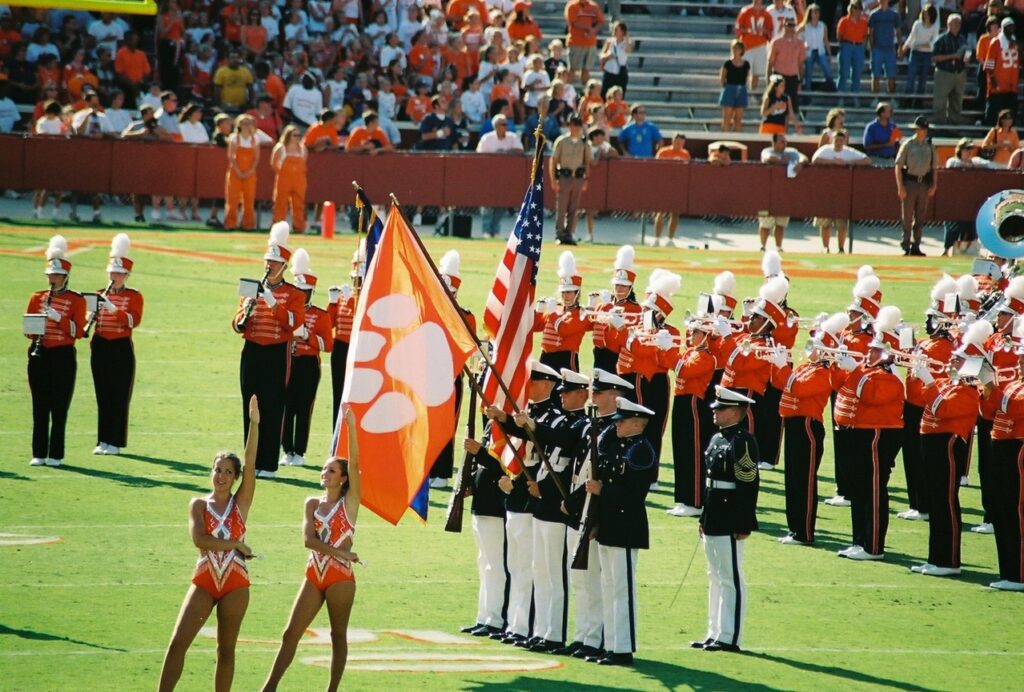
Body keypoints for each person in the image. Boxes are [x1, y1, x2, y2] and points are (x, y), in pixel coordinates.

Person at [158, 395, 259, 692]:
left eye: (228, 471)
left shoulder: (241, 503)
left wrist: (254, 424)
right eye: (217, 469)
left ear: (236, 477)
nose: (221, 476)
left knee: (225, 650)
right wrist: (236, 544)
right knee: (177, 643)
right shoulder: (199, 504)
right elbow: (199, 540)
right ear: (211, 472)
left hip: (235, 584)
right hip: (204, 579)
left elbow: (251, 463)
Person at [262, 407, 359, 690]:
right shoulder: (312, 503)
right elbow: (308, 541)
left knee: (337, 636)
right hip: (315, 573)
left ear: (343, 478)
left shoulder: (349, 503)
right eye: (324, 468)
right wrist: (342, 553)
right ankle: (269, 687)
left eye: (332, 470)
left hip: (340, 578)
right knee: (290, 633)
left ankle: (332, 689)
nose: (324, 473)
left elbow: (355, 465)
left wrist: (351, 427)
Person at [483, 361, 559, 646]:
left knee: (530, 566)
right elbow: (518, 434)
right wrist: (502, 417)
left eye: (534, 380)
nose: (527, 385)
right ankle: (515, 624)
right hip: (516, 493)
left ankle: (526, 626)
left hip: (531, 493)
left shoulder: (551, 417)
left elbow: (539, 449)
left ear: (547, 384)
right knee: (515, 565)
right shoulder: (528, 413)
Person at [585, 397, 657, 665]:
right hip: (609, 524)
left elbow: (635, 494)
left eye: (622, 421)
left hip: (626, 526)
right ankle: (611, 644)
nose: (617, 425)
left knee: (621, 589)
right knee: (608, 587)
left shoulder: (641, 450)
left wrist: (603, 490)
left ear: (637, 424)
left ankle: (623, 648)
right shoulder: (618, 445)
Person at [232, 223, 306, 479]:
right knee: (249, 406)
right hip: (252, 352)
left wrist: (272, 301)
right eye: (268, 261)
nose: (269, 266)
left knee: (273, 407)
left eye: (274, 262)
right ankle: (251, 462)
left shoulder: (294, 294)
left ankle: (269, 464)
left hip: (276, 354)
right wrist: (244, 315)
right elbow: (236, 322)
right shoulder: (251, 288)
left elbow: (294, 324)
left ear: (284, 266)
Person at [833, 307, 905, 561]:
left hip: (877, 435)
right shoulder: (867, 372)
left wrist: (854, 371)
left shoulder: (889, 377)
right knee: (859, 489)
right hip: (860, 433)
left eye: (875, 350)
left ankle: (873, 546)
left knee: (873, 489)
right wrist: (838, 365)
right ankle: (859, 541)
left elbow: (869, 395)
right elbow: (840, 386)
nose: (869, 353)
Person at [910, 331, 983, 577]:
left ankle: (949, 561)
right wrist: (919, 375)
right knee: (935, 502)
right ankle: (936, 559)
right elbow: (920, 398)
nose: (952, 361)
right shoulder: (947, 384)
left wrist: (929, 383)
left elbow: (941, 409)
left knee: (946, 502)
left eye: (958, 359)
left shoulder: (968, 392)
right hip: (933, 444)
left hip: (948, 445)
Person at [692, 386, 759, 653]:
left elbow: (748, 484)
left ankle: (730, 636)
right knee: (715, 575)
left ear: (734, 412)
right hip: (714, 514)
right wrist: (704, 517)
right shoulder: (717, 438)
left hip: (730, 514)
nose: (715, 413)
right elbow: (710, 484)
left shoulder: (743, 441)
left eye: (721, 409)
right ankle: (714, 631)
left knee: (730, 576)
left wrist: (744, 522)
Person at [775, 314, 847, 544]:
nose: (810, 349)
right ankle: (794, 529)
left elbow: (797, 389)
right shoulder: (807, 367)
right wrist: (779, 365)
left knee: (804, 481)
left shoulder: (824, 373)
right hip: (793, 424)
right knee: (792, 480)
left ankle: (804, 532)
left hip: (807, 426)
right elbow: (783, 384)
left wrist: (782, 366)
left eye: (816, 346)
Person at [900, 276, 958, 520]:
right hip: (914, 404)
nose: (926, 322)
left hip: (923, 406)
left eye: (932, 318)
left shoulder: (941, 346)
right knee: (912, 457)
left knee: (919, 459)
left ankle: (922, 505)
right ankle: (917, 503)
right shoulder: (930, 343)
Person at [25, 236, 86, 468]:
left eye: (57, 275)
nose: (53, 279)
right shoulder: (37, 297)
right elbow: (29, 331)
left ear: (65, 277)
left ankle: (56, 454)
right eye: (51, 275)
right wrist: (36, 325)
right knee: (39, 405)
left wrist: (58, 318)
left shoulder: (76, 300)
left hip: (63, 356)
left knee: (59, 406)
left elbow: (79, 332)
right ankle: (38, 452)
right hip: (39, 354)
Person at [89, 234, 143, 457]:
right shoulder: (98, 294)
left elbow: (133, 321)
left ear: (127, 275)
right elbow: (87, 321)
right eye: (112, 273)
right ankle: (103, 439)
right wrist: (90, 315)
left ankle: (116, 442)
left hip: (120, 347)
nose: (115, 277)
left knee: (119, 395)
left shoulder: (134, 296)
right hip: (100, 346)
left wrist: (112, 308)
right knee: (102, 394)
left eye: (119, 274)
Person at [279, 250, 332, 468]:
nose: (302, 295)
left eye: (306, 291)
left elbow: (328, 345)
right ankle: (286, 450)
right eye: (299, 291)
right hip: (288, 361)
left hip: (308, 365)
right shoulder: (287, 311)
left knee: (303, 409)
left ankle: (299, 451)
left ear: (311, 292)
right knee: (286, 407)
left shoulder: (320, 315)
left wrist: (307, 336)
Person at [668, 316, 716, 518]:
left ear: (706, 335)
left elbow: (683, 371)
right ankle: (683, 498)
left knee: (693, 453)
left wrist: (668, 349)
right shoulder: (690, 352)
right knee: (680, 450)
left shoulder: (706, 357)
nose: (691, 334)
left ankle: (695, 501)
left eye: (695, 332)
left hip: (694, 403)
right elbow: (667, 363)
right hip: (681, 400)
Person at [989, 323, 1024, 591]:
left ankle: (1018, 574)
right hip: (1003, 446)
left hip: (1018, 448)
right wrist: (987, 386)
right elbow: (989, 410)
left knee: (1017, 511)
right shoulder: (1014, 384)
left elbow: (1013, 409)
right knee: (1003, 510)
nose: (1019, 363)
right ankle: (1008, 571)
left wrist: (995, 389)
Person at [810, 130, 870, 253]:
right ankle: (825, 247)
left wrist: (848, 162)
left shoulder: (849, 152)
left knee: (842, 223)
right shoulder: (826, 150)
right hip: (826, 191)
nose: (838, 143)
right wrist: (834, 162)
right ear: (832, 140)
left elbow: (867, 160)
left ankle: (841, 248)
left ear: (844, 141)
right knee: (825, 222)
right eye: (836, 140)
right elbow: (815, 159)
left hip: (842, 192)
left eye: (841, 140)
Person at [590, 246, 641, 373]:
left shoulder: (635, 309)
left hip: (616, 358)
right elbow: (591, 326)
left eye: (623, 286)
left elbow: (625, 339)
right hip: (598, 355)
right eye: (617, 285)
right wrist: (591, 307)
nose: (619, 289)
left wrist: (609, 307)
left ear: (630, 288)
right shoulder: (602, 305)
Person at [895, 115, 938, 257]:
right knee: (907, 216)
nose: (923, 132)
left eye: (925, 129)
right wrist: (900, 186)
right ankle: (906, 244)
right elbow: (898, 166)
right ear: (916, 129)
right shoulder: (908, 144)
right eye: (921, 129)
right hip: (910, 182)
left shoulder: (930, 146)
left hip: (924, 183)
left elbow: (934, 168)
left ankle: (916, 245)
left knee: (920, 216)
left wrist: (934, 185)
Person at [476, 113, 524, 237]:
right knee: (487, 204)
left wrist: (506, 152)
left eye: (506, 124)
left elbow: (520, 150)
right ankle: (486, 231)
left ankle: (495, 229)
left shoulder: (512, 137)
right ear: (496, 126)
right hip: (489, 176)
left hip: (505, 177)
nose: (506, 127)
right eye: (503, 124)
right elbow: (480, 155)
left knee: (502, 204)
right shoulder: (487, 138)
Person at [759, 134, 807, 251]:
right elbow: (767, 158)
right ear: (774, 143)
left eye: (785, 141)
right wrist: (781, 160)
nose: (785, 144)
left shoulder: (792, 152)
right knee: (766, 223)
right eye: (781, 141)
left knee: (781, 223)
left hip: (784, 193)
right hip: (768, 193)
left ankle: (778, 246)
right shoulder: (767, 151)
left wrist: (800, 164)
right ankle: (763, 246)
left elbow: (804, 158)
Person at [550, 115, 593, 245]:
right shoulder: (562, 141)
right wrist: (553, 179)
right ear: (569, 126)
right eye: (574, 125)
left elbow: (587, 162)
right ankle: (560, 234)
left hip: (578, 177)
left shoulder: (583, 143)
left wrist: (586, 179)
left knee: (574, 208)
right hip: (565, 176)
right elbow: (553, 161)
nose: (576, 128)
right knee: (562, 207)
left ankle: (569, 233)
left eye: (578, 125)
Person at [653, 134, 691, 245]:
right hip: (664, 185)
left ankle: (670, 239)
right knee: (660, 212)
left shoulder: (685, 154)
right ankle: (657, 239)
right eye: (677, 142)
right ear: (673, 141)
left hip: (678, 186)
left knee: (675, 214)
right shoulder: (663, 152)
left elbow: (688, 170)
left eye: (681, 143)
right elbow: (656, 167)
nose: (679, 145)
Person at [224, 115, 260, 231]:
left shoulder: (255, 139)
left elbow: (256, 158)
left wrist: (250, 171)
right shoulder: (234, 138)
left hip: (250, 173)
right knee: (232, 199)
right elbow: (231, 156)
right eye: (243, 123)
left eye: (248, 123)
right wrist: (239, 171)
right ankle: (230, 223)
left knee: (249, 199)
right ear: (239, 125)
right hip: (235, 172)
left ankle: (248, 224)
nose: (246, 126)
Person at [932, 13, 969, 124]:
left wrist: (966, 58)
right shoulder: (941, 39)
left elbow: (967, 52)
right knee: (940, 102)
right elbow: (934, 57)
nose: (958, 25)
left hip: (959, 73)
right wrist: (952, 56)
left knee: (957, 101)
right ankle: (940, 125)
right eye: (955, 22)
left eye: (959, 23)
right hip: (944, 73)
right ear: (948, 24)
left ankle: (954, 125)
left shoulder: (962, 39)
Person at [981, 17, 1019, 125]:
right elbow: (989, 64)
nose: (1012, 29)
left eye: (1013, 27)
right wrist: (993, 80)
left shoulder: (1015, 43)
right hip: (997, 86)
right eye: (1009, 27)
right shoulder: (996, 42)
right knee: (994, 114)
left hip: (1011, 86)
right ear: (1004, 28)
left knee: (1010, 113)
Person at [271, 125, 308, 234]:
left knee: (299, 204)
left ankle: (299, 227)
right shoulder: (280, 147)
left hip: (299, 180)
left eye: (299, 135)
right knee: (280, 203)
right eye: (294, 135)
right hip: (284, 179)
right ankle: (278, 227)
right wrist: (282, 174)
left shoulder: (303, 148)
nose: (297, 137)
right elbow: (274, 163)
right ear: (288, 136)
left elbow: (304, 162)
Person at [767, 15, 805, 113]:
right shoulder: (776, 42)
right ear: (784, 26)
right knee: (776, 107)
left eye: (793, 25)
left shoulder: (800, 44)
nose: (791, 28)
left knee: (792, 108)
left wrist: (800, 81)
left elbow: (800, 64)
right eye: (789, 25)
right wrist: (768, 80)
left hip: (793, 78)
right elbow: (770, 63)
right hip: (779, 77)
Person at [735, 0, 774, 92]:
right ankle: (742, 92)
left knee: (756, 73)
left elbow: (770, 31)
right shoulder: (745, 11)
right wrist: (748, 30)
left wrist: (763, 31)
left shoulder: (766, 13)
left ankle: (752, 92)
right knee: (744, 71)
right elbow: (738, 28)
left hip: (760, 45)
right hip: (747, 46)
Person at [565, 0, 605, 84]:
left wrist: (594, 30)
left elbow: (601, 21)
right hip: (576, 42)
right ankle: (567, 89)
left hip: (590, 43)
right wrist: (588, 28)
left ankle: (586, 90)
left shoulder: (594, 6)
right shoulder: (572, 6)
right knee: (573, 69)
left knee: (586, 69)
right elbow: (573, 22)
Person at [902, 4, 939, 94]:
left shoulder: (935, 26)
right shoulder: (917, 24)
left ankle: (919, 98)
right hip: (915, 53)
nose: (925, 15)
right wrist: (905, 47)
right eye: (924, 13)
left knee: (923, 77)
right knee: (911, 76)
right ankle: (908, 97)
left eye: (927, 13)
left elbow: (933, 43)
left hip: (927, 55)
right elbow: (911, 37)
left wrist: (921, 46)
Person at [868, 0, 901, 94]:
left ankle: (891, 97)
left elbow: (898, 31)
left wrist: (900, 46)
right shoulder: (873, 14)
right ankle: (875, 97)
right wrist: (872, 48)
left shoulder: (894, 15)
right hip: (877, 48)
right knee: (875, 75)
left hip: (890, 48)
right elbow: (870, 32)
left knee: (891, 75)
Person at [836, 1, 869, 95]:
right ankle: (840, 96)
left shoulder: (864, 22)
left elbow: (865, 35)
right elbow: (839, 35)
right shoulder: (843, 21)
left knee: (857, 74)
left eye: (859, 8)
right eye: (855, 8)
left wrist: (862, 45)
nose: (857, 10)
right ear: (850, 9)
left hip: (859, 47)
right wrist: (843, 44)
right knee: (843, 73)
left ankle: (855, 96)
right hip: (847, 45)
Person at [720, 40, 751, 132]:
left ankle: (736, 136)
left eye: (737, 48)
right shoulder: (728, 63)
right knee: (727, 118)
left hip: (741, 89)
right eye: (733, 48)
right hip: (729, 88)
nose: (734, 50)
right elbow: (722, 78)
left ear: (741, 50)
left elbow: (747, 77)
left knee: (738, 119)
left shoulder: (746, 64)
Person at [802, 5, 835, 91]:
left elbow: (826, 40)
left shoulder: (822, 25)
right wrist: (803, 45)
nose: (816, 14)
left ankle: (829, 88)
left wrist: (829, 54)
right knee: (808, 75)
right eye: (814, 12)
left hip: (820, 51)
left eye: (818, 12)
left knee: (828, 72)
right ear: (810, 13)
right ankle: (807, 93)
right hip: (809, 52)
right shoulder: (805, 26)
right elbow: (797, 37)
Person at [599, 20, 632, 97]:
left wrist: (627, 38)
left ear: (622, 31)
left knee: (620, 94)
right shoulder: (609, 42)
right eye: (614, 29)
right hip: (609, 71)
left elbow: (628, 51)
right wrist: (607, 56)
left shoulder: (626, 43)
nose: (614, 31)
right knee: (604, 93)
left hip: (620, 72)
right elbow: (601, 55)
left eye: (617, 29)